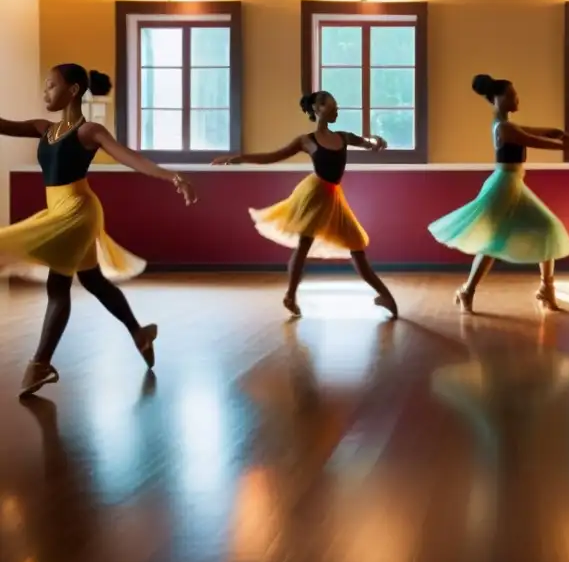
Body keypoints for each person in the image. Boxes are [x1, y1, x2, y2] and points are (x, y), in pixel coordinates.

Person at [0, 63, 197, 397]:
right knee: (92, 280)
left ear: (73, 90)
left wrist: (172, 176)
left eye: (51, 85)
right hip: (57, 210)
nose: (45, 91)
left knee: (58, 285)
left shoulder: (88, 132)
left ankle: (39, 363)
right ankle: (139, 333)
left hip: (78, 211)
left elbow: (129, 157)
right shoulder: (42, 128)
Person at [213, 91, 398, 319]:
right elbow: (273, 156)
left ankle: (385, 296)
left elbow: (367, 142)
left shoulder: (343, 136)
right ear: (319, 108)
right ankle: (290, 296)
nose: (337, 110)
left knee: (356, 246)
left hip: (334, 197)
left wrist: (376, 142)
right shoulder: (306, 141)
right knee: (304, 246)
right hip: (314, 194)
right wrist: (237, 158)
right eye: (333, 106)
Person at [428, 74, 569, 313]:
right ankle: (468, 291)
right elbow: (540, 142)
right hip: (503, 186)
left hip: (513, 184)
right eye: (510, 95)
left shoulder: (509, 125)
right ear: (496, 99)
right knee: (492, 244)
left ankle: (545, 289)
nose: (516, 98)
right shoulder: (505, 128)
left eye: (515, 94)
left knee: (545, 229)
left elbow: (553, 132)